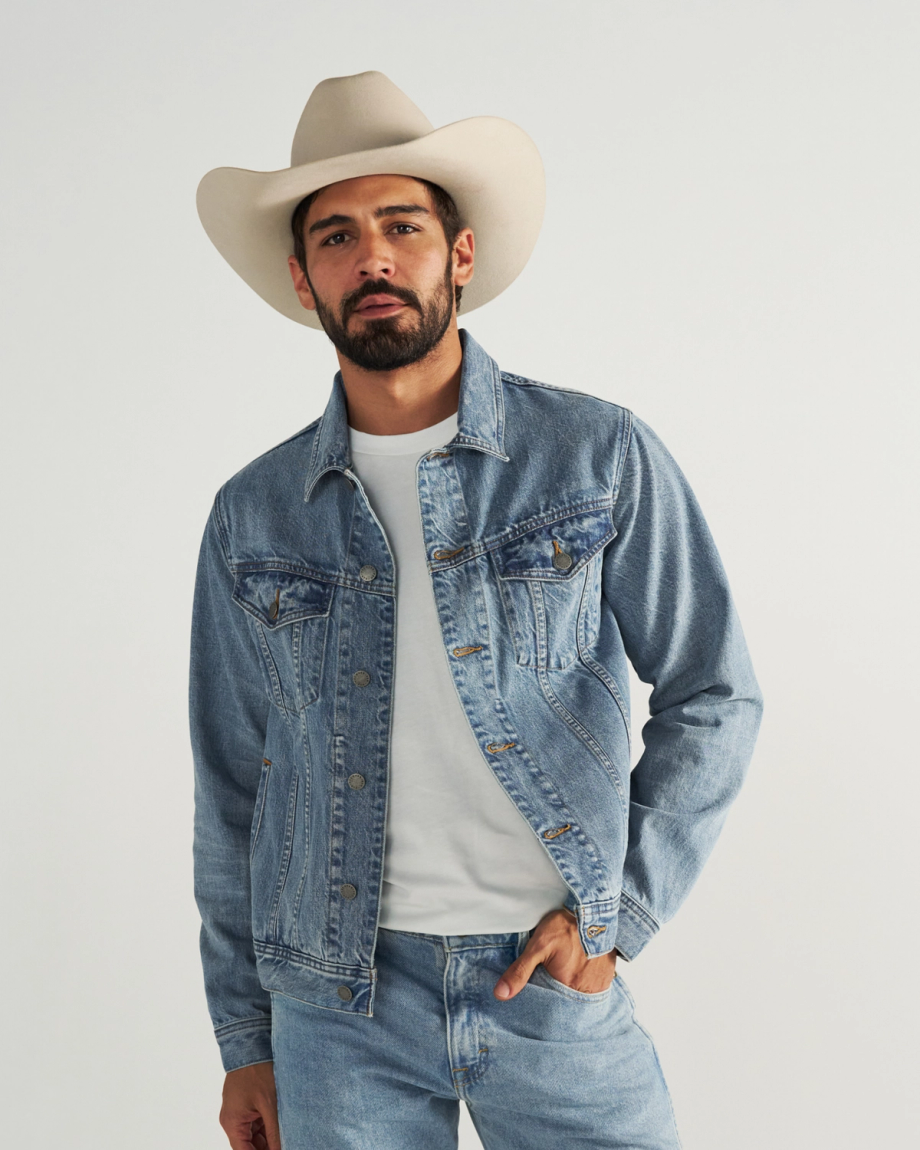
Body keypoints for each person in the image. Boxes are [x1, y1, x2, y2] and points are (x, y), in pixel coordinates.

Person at [190, 70, 763, 1150]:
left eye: (401, 225)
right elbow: (231, 789)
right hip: (332, 1002)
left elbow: (714, 691)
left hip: (547, 981)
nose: (372, 258)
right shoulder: (253, 515)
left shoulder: (595, 455)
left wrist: (618, 916)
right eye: (336, 237)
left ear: (458, 256)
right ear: (303, 279)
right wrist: (244, 1040)